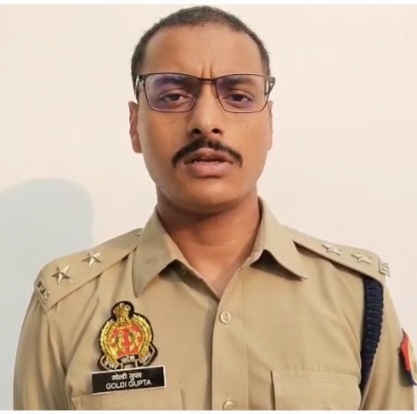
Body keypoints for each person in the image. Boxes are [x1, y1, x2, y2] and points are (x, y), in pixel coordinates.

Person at [13, 5, 415, 410]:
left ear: (270, 123)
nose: (205, 121)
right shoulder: (67, 307)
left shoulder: (356, 298)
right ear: (135, 125)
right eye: (173, 96)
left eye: (238, 96)